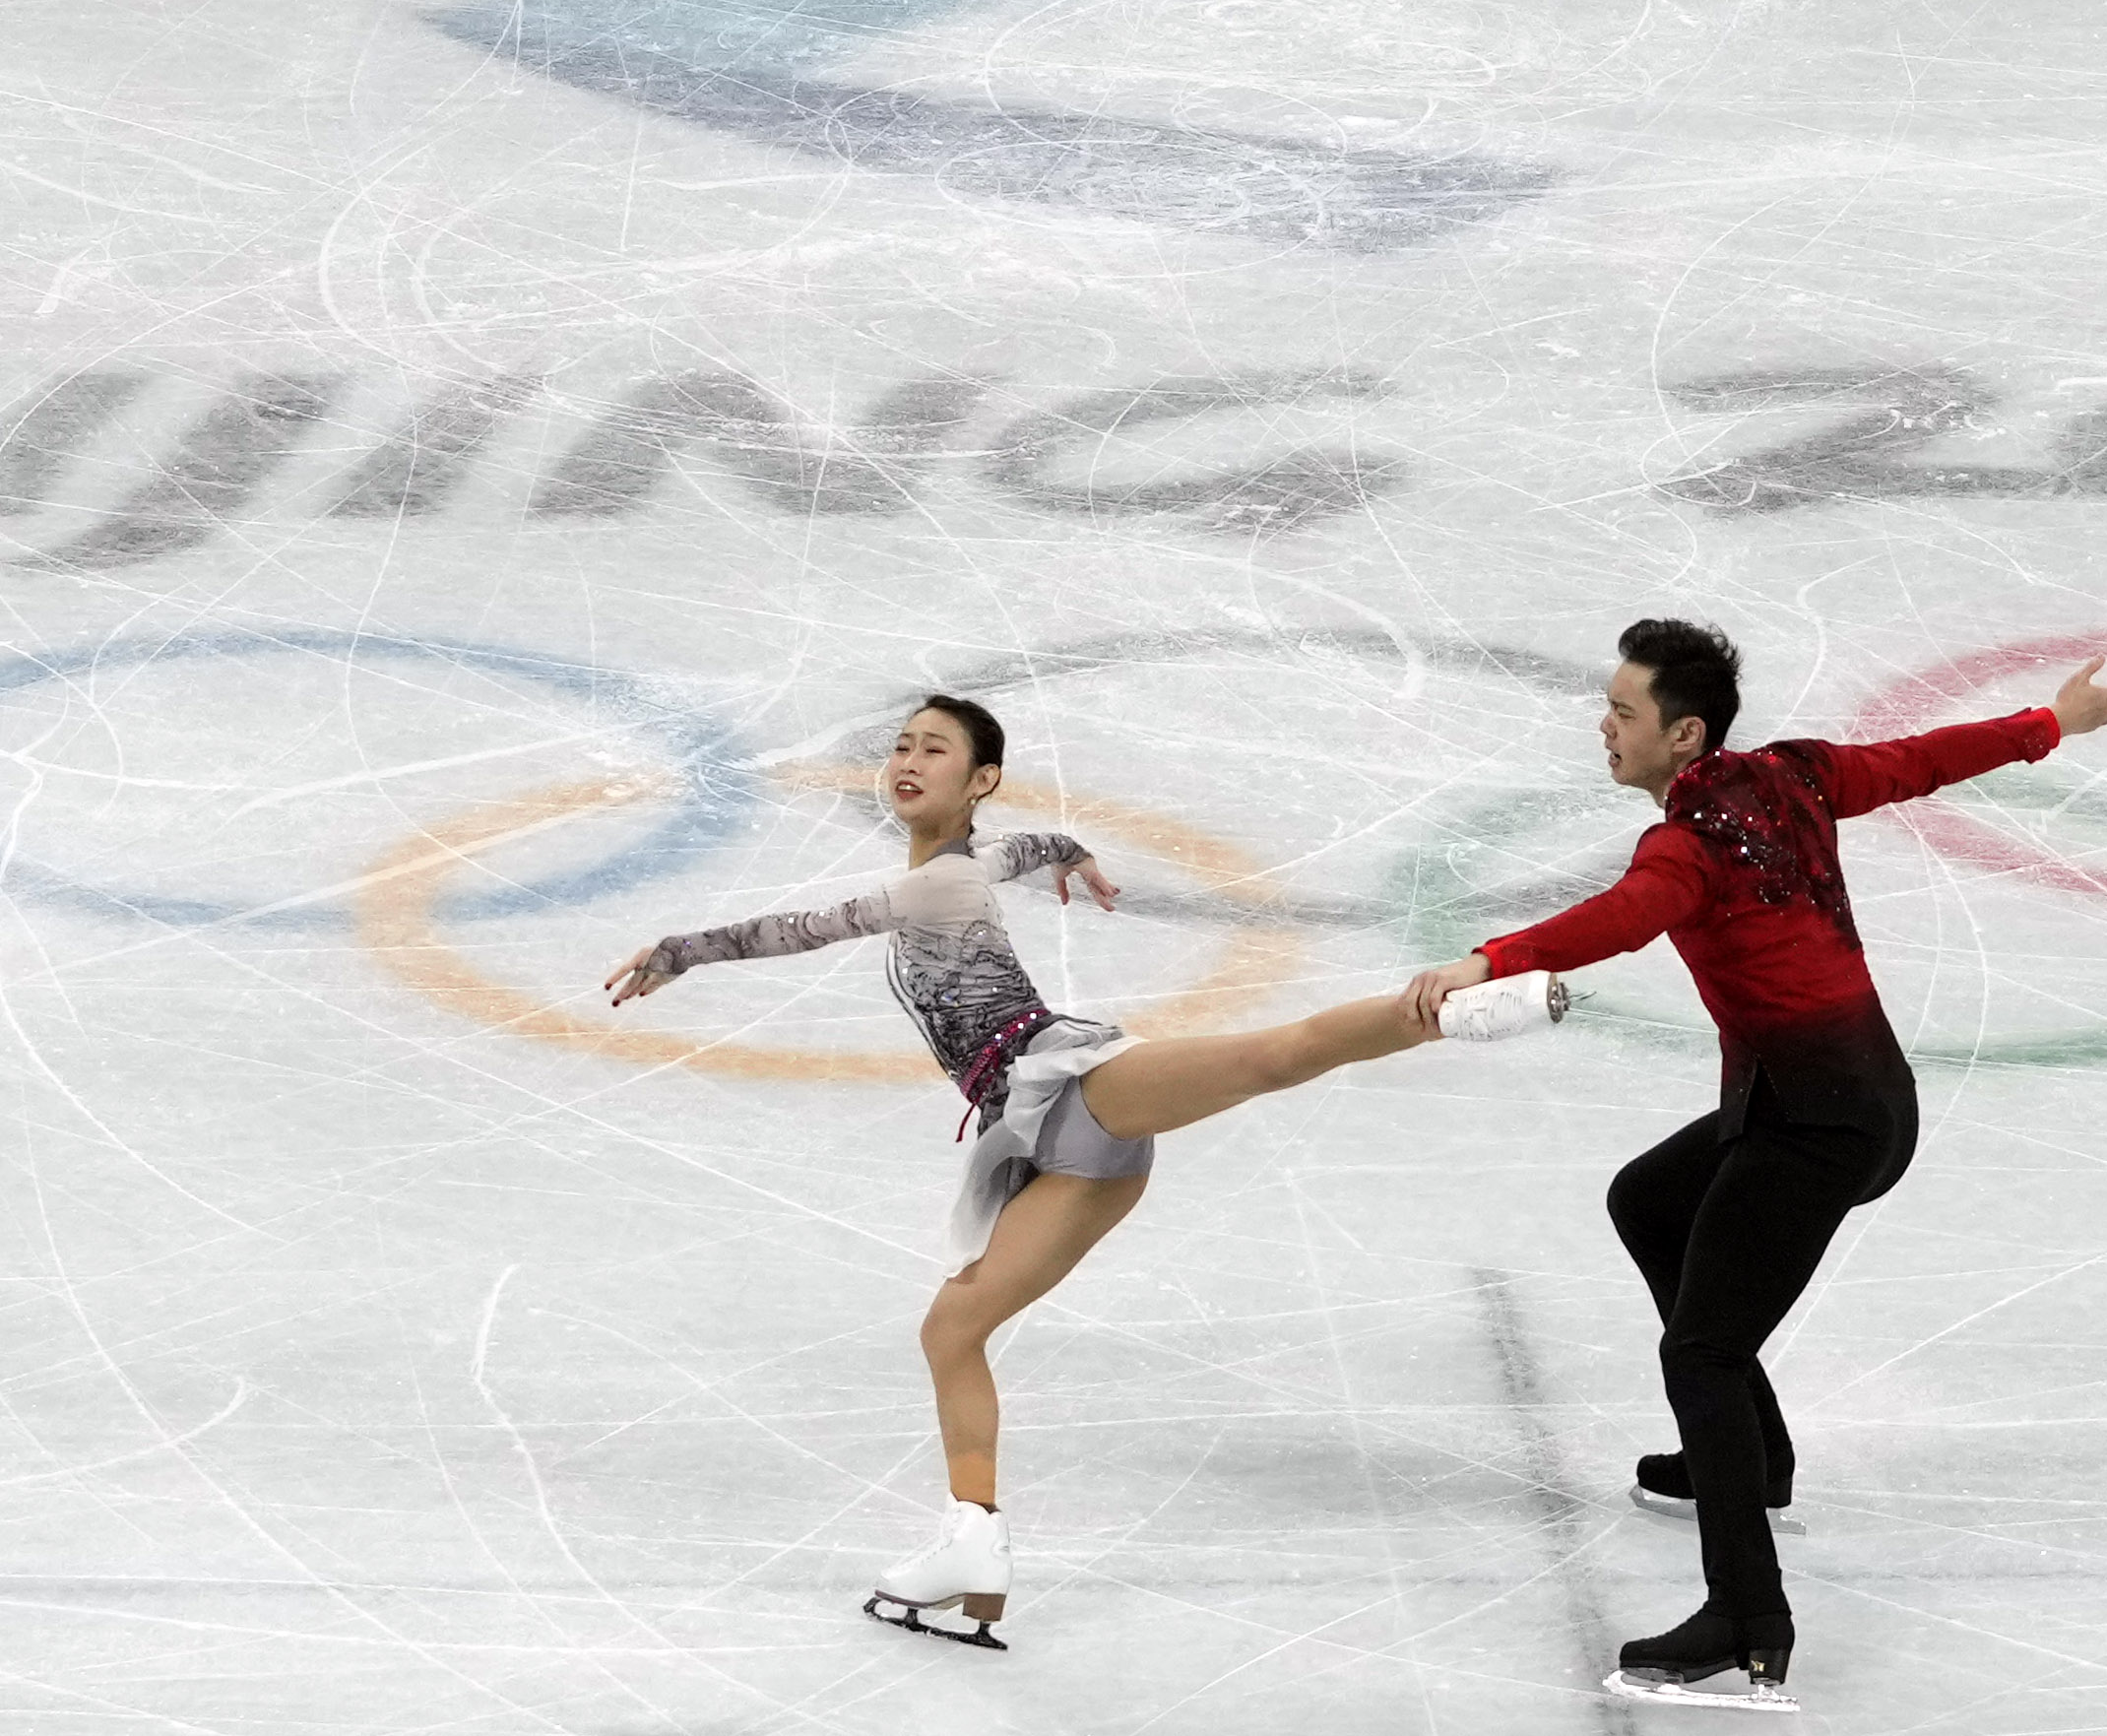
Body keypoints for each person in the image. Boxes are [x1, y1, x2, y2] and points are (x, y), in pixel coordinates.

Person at [602, 690, 1565, 1650]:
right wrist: (1068, 853)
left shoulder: (935, 886)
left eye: (935, 749)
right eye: (901, 744)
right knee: (952, 1327)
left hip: (1073, 1082)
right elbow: (1024, 849)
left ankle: (1465, 1008)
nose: (908, 758)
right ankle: (973, 1537)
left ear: (979, 779)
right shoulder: (973, 861)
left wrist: (683, 950)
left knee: (1270, 1054)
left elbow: (809, 926)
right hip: (1042, 1142)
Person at [1403, 619, 2107, 1713]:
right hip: (1837, 1097)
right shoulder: (1793, 774)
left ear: (1685, 730)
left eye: (1623, 711)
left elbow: (1624, 919)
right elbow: (1917, 761)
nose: (1603, 726)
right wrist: (2051, 722)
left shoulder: (1687, 847)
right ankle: (1756, 1464)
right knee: (1650, 1200)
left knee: (1702, 1350)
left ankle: (1749, 1621)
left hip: (1817, 1125)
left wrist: (1489, 957)